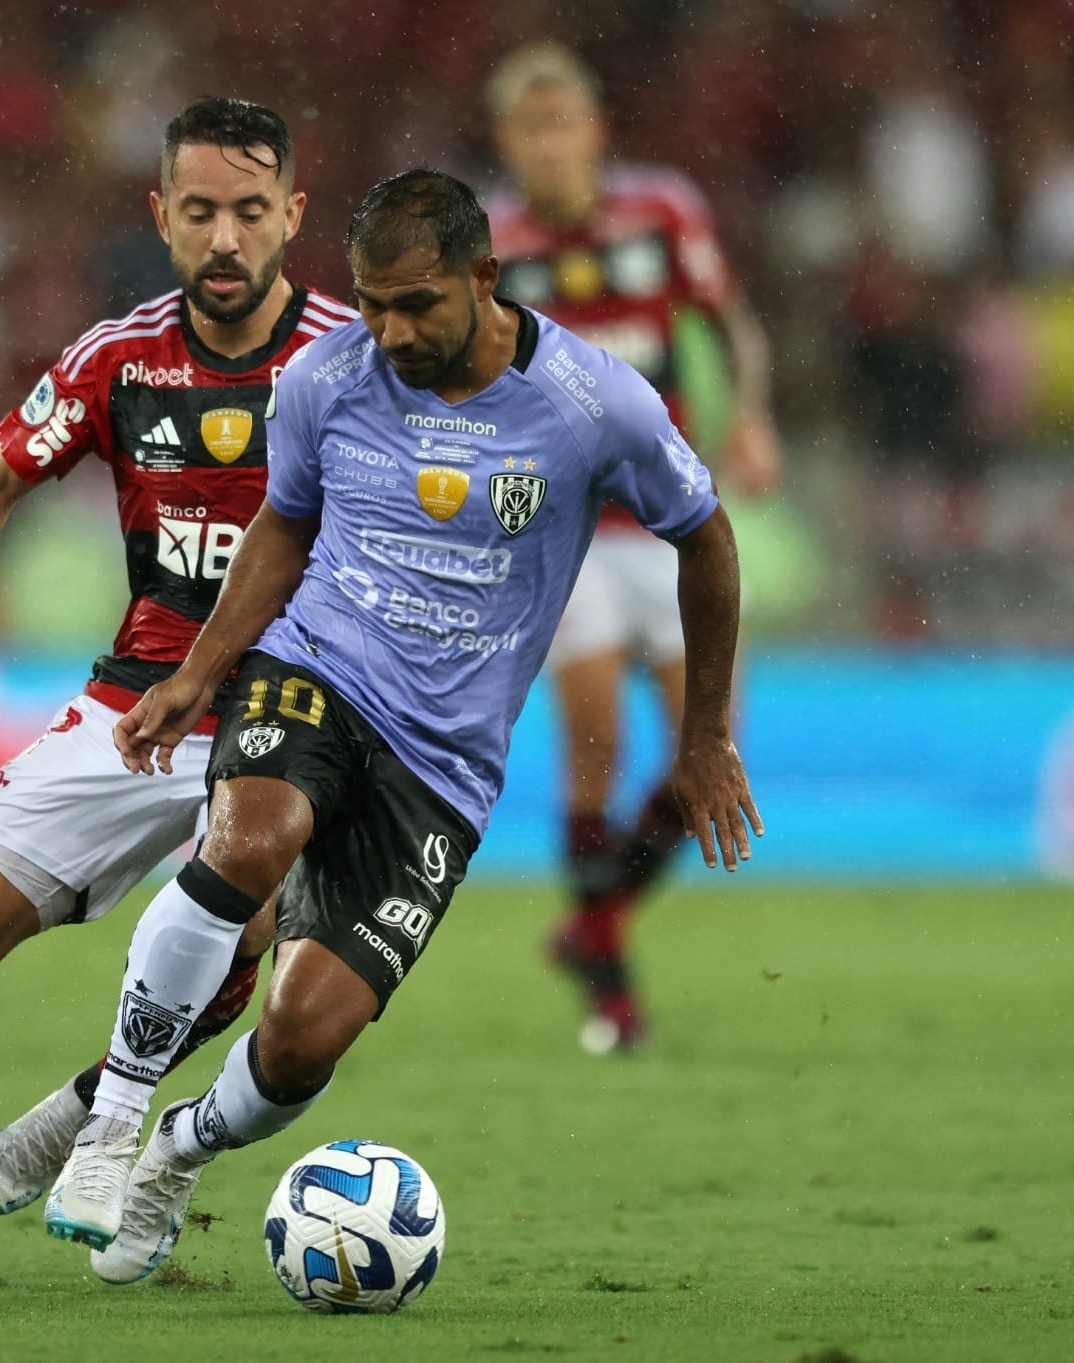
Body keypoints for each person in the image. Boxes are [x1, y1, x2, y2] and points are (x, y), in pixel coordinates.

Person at [41, 169, 761, 1283]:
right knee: (248, 839)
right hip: (317, 668)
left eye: (417, 303)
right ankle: (113, 1121)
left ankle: (180, 1147)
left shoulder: (592, 401)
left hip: (446, 760)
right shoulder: (330, 377)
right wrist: (200, 670)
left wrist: (706, 735)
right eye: (373, 301)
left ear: (484, 278)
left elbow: (706, 539)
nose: (389, 329)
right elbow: (283, 527)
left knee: (300, 1040)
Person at [0, 97, 357, 1288]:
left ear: (293, 217)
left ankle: (91, 1110)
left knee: (236, 919)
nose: (224, 239)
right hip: (136, 704)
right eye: (199, 210)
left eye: (250, 212)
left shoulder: (353, 359)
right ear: (160, 214)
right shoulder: (121, 357)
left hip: (293, 714)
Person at [485, 44, 783, 1054]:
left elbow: (730, 319)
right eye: (531, 129)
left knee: (712, 746)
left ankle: (593, 923)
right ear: (508, 144)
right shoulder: (492, 247)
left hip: (668, 516)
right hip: (563, 529)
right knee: (596, 740)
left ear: (597, 133)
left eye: (563, 123)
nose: (550, 146)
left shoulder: (661, 213)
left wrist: (749, 417)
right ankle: (611, 987)